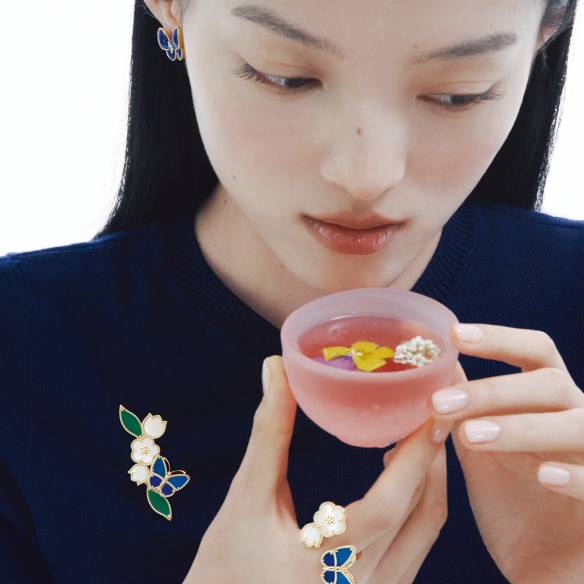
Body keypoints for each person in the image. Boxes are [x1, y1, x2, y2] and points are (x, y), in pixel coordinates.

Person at [1, 0, 583, 582]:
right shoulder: (21, 350)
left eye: (458, 94)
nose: (366, 176)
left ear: (544, 37)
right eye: (286, 78)